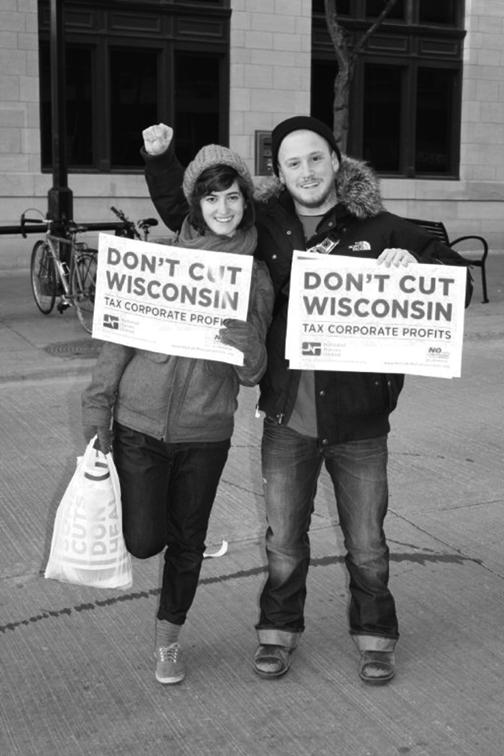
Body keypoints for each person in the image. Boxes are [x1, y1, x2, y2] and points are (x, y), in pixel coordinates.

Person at [141, 117, 473, 686]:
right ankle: (277, 633)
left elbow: (459, 282)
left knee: (367, 543)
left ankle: (376, 637)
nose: (306, 171)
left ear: (336, 161)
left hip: (361, 420)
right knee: (284, 541)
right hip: (287, 415)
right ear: (279, 171)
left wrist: (418, 268)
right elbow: (191, 215)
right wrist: (162, 161)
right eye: (292, 162)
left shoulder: (382, 227)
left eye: (316, 159)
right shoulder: (265, 224)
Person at [82, 138, 274, 686]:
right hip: (140, 426)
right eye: (212, 199)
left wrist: (246, 345)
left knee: (186, 544)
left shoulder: (255, 275)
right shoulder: (160, 260)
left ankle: (170, 640)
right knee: (144, 541)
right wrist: (98, 416)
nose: (223, 209)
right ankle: (172, 523)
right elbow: (116, 346)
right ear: (195, 203)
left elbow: (253, 372)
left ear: (245, 203)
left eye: (233, 198)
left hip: (205, 433)